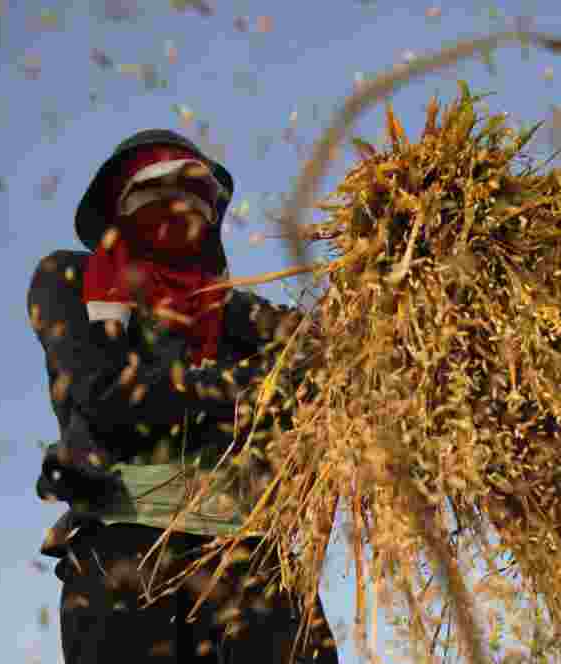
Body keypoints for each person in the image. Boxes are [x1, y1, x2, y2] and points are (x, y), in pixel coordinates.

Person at [28, 129, 340, 663]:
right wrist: (256, 387)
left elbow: (328, 353)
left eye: (193, 198)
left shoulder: (233, 311)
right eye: (162, 192)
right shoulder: (71, 278)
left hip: (252, 559)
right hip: (127, 553)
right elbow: (108, 396)